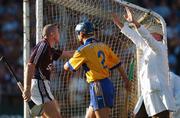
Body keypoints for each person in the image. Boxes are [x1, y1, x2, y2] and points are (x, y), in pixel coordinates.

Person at [112, 7, 176, 118]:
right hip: (149, 92)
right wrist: (119, 24)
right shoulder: (147, 48)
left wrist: (134, 22)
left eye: (152, 33)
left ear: (159, 36)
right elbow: (134, 36)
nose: (149, 34)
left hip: (159, 94)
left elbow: (147, 38)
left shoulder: (160, 47)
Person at [64, 21, 130, 118]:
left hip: (97, 87)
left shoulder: (82, 50)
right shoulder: (103, 46)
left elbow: (67, 67)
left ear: (81, 34)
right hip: (107, 84)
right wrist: (126, 80)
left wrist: (66, 60)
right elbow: (118, 64)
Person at [22, 24, 74, 118]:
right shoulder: (43, 46)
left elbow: (69, 54)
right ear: (52, 34)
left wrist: (85, 49)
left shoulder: (50, 49)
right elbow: (30, 66)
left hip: (42, 85)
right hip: (39, 85)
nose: (59, 34)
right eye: (58, 32)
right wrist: (27, 88)